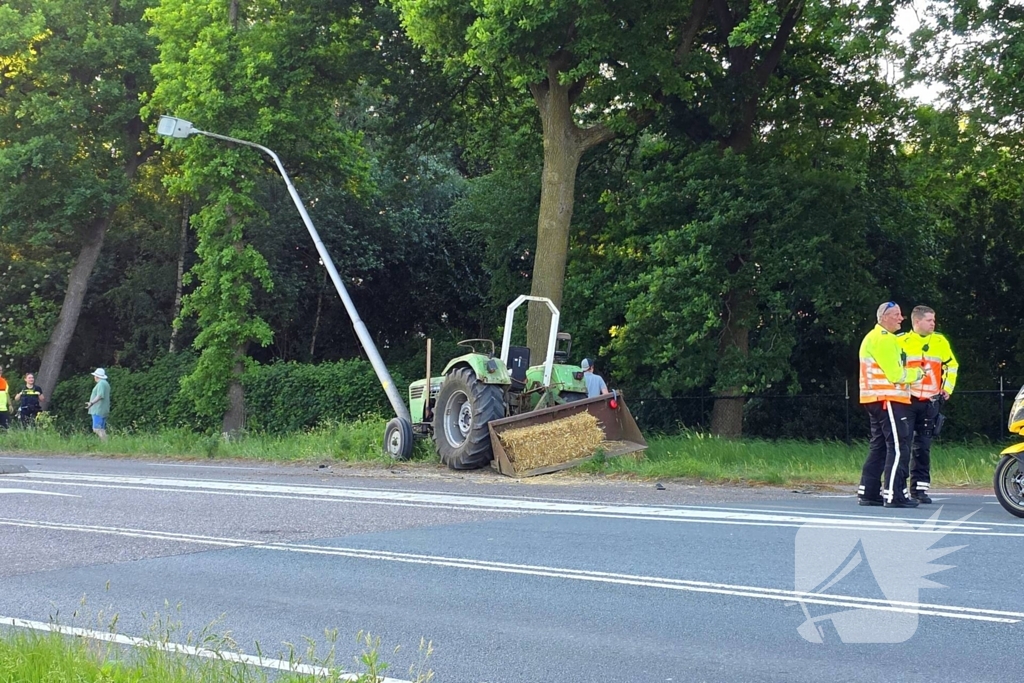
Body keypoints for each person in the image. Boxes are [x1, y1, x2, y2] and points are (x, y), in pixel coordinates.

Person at [857, 302, 925, 508]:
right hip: (888, 399)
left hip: (875, 399)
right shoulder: (884, 340)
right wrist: (918, 374)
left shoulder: (874, 337)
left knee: (878, 446)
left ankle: (868, 492)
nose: (901, 318)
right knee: (898, 447)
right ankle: (895, 494)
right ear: (884, 317)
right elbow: (895, 374)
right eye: (896, 314)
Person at [899, 305, 959, 504]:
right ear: (917, 322)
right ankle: (899, 487)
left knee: (923, 447)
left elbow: (952, 365)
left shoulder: (940, 341)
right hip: (908, 399)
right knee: (903, 445)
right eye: (929, 320)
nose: (933, 323)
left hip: (931, 401)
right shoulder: (902, 341)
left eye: (934, 320)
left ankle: (920, 489)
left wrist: (946, 389)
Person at [85, 368, 111, 441]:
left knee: (96, 428)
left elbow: (100, 395)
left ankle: (106, 442)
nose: (94, 377)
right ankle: (106, 444)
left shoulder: (101, 383)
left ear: (97, 376)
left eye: (95, 376)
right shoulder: (105, 383)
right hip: (103, 409)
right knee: (101, 429)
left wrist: (91, 403)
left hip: (98, 409)